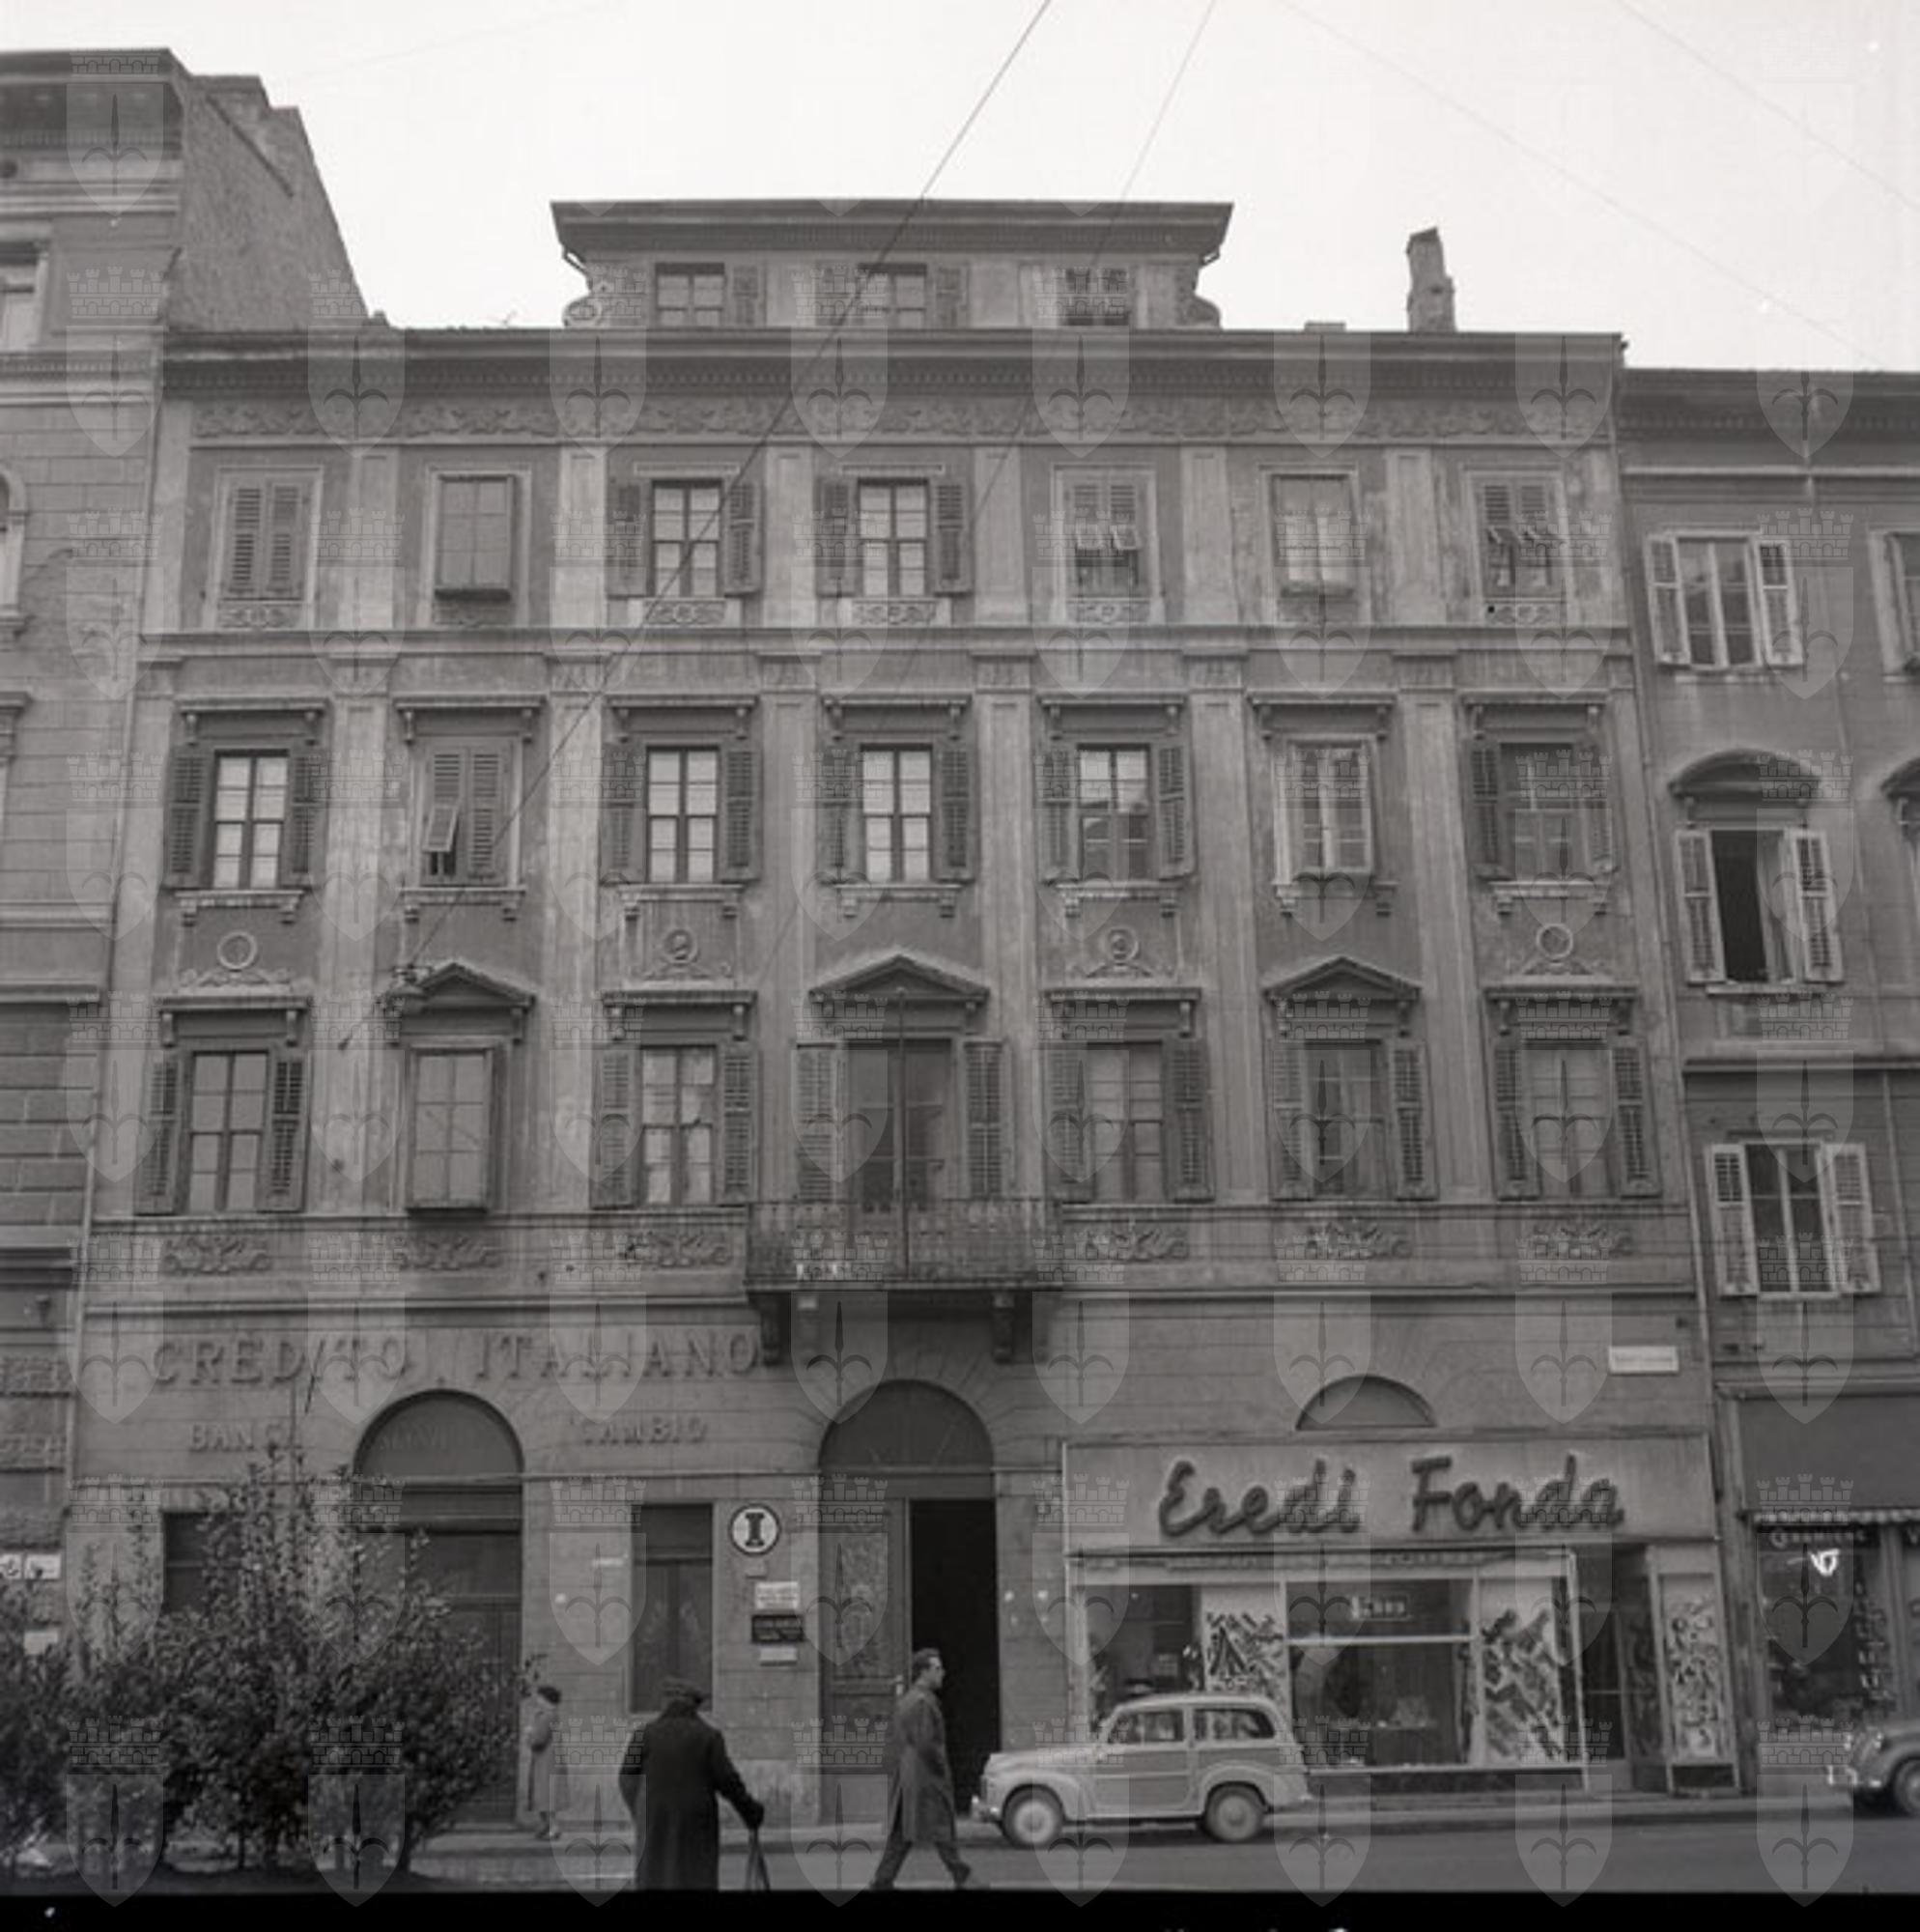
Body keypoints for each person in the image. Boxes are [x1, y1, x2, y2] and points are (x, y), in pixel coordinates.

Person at [618, 1677, 765, 1890]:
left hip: (655, 1823)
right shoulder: (709, 1737)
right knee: (696, 1877)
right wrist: (751, 1813)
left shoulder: (642, 1735)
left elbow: (626, 1776)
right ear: (694, 1705)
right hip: (697, 1826)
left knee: (655, 1877)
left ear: (666, 1704)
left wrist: (641, 1811)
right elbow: (729, 1782)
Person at [870, 1648, 984, 1891]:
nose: (943, 1673)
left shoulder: (909, 1699)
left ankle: (882, 1880)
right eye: (937, 1669)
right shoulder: (922, 1703)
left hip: (910, 1775)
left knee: (902, 1831)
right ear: (924, 1672)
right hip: (925, 1776)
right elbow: (926, 1744)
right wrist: (941, 1769)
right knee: (941, 1827)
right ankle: (962, 1877)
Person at [524, 1684, 566, 1841]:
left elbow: (538, 1739)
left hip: (546, 1761)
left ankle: (553, 1827)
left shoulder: (546, 1716)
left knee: (545, 1795)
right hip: (550, 1759)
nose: (537, 1700)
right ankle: (547, 1826)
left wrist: (529, 1734)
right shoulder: (552, 1715)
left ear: (545, 1699)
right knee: (546, 1794)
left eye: (540, 1698)